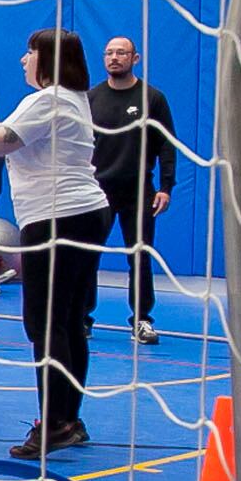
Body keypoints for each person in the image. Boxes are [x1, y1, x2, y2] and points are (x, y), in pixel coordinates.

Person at [0, 29, 111, 458]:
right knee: (66, 320)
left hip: (60, 218)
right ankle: (68, 418)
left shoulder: (51, 99)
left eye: (30, 53)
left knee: (45, 323)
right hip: (81, 215)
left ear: (48, 59)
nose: (23, 60)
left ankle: (57, 422)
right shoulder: (73, 98)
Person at [87, 35, 179, 346]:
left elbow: (166, 145)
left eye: (121, 53)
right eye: (109, 52)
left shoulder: (153, 99)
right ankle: (82, 317)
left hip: (139, 191)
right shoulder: (91, 99)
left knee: (139, 256)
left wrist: (166, 186)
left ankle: (141, 319)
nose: (114, 58)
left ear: (135, 58)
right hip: (96, 192)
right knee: (87, 256)